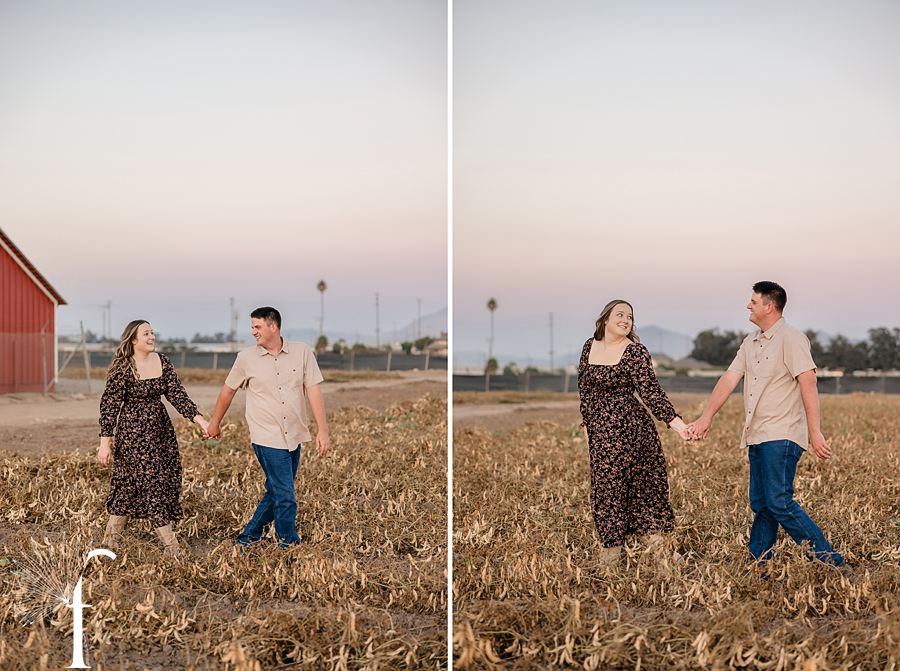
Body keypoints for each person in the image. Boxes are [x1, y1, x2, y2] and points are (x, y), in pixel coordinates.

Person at [688, 281, 844, 568]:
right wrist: (706, 416)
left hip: (782, 434)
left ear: (769, 307)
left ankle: (830, 561)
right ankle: (760, 566)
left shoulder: (792, 338)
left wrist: (815, 432)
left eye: (753, 301)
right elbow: (730, 378)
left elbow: (808, 383)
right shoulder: (750, 342)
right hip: (757, 434)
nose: (748, 305)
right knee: (762, 505)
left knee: (779, 502)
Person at [579, 300, 694, 567]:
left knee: (626, 492)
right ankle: (665, 558)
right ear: (605, 320)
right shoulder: (589, 346)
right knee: (609, 491)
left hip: (631, 431)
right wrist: (587, 425)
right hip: (601, 433)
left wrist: (678, 425)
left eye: (629, 316)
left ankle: (612, 560)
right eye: (619, 314)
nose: (625, 319)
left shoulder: (635, 351)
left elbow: (651, 392)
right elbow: (585, 390)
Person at [207, 307, 330, 548]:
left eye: (257, 327)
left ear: (273, 327)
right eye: (252, 327)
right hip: (266, 436)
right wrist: (215, 423)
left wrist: (322, 430)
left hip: (293, 435)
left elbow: (313, 390)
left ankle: (247, 540)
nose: (253, 332)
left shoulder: (302, 352)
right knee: (286, 496)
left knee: (276, 492)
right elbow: (228, 391)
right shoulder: (246, 358)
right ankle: (288, 545)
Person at [98, 320, 209, 557]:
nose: (152, 337)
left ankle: (109, 545)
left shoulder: (163, 361)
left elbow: (177, 395)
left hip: (160, 432)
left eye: (152, 332)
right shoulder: (123, 367)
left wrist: (200, 420)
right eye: (146, 333)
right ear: (133, 340)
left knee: (128, 486)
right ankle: (172, 549)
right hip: (133, 434)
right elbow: (109, 407)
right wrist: (104, 444)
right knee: (153, 484)